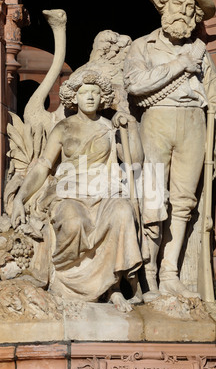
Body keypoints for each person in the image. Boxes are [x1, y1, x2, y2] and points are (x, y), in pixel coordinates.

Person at [123, 0, 216, 299]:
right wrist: (179, 65)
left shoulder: (201, 54)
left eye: (190, 8)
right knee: (153, 201)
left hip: (194, 127)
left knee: (184, 204)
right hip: (156, 122)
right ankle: (147, 275)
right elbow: (135, 84)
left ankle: (170, 272)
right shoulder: (142, 46)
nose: (182, 13)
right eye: (177, 5)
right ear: (163, 6)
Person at [11, 70, 144, 312]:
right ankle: (65, 284)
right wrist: (21, 198)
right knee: (73, 222)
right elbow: (43, 165)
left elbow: (134, 161)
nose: (90, 97)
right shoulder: (64, 128)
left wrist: (131, 128)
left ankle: (112, 288)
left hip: (104, 192)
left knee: (123, 212)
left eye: (95, 92)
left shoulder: (109, 127)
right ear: (75, 97)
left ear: (102, 96)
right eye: (84, 93)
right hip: (70, 193)